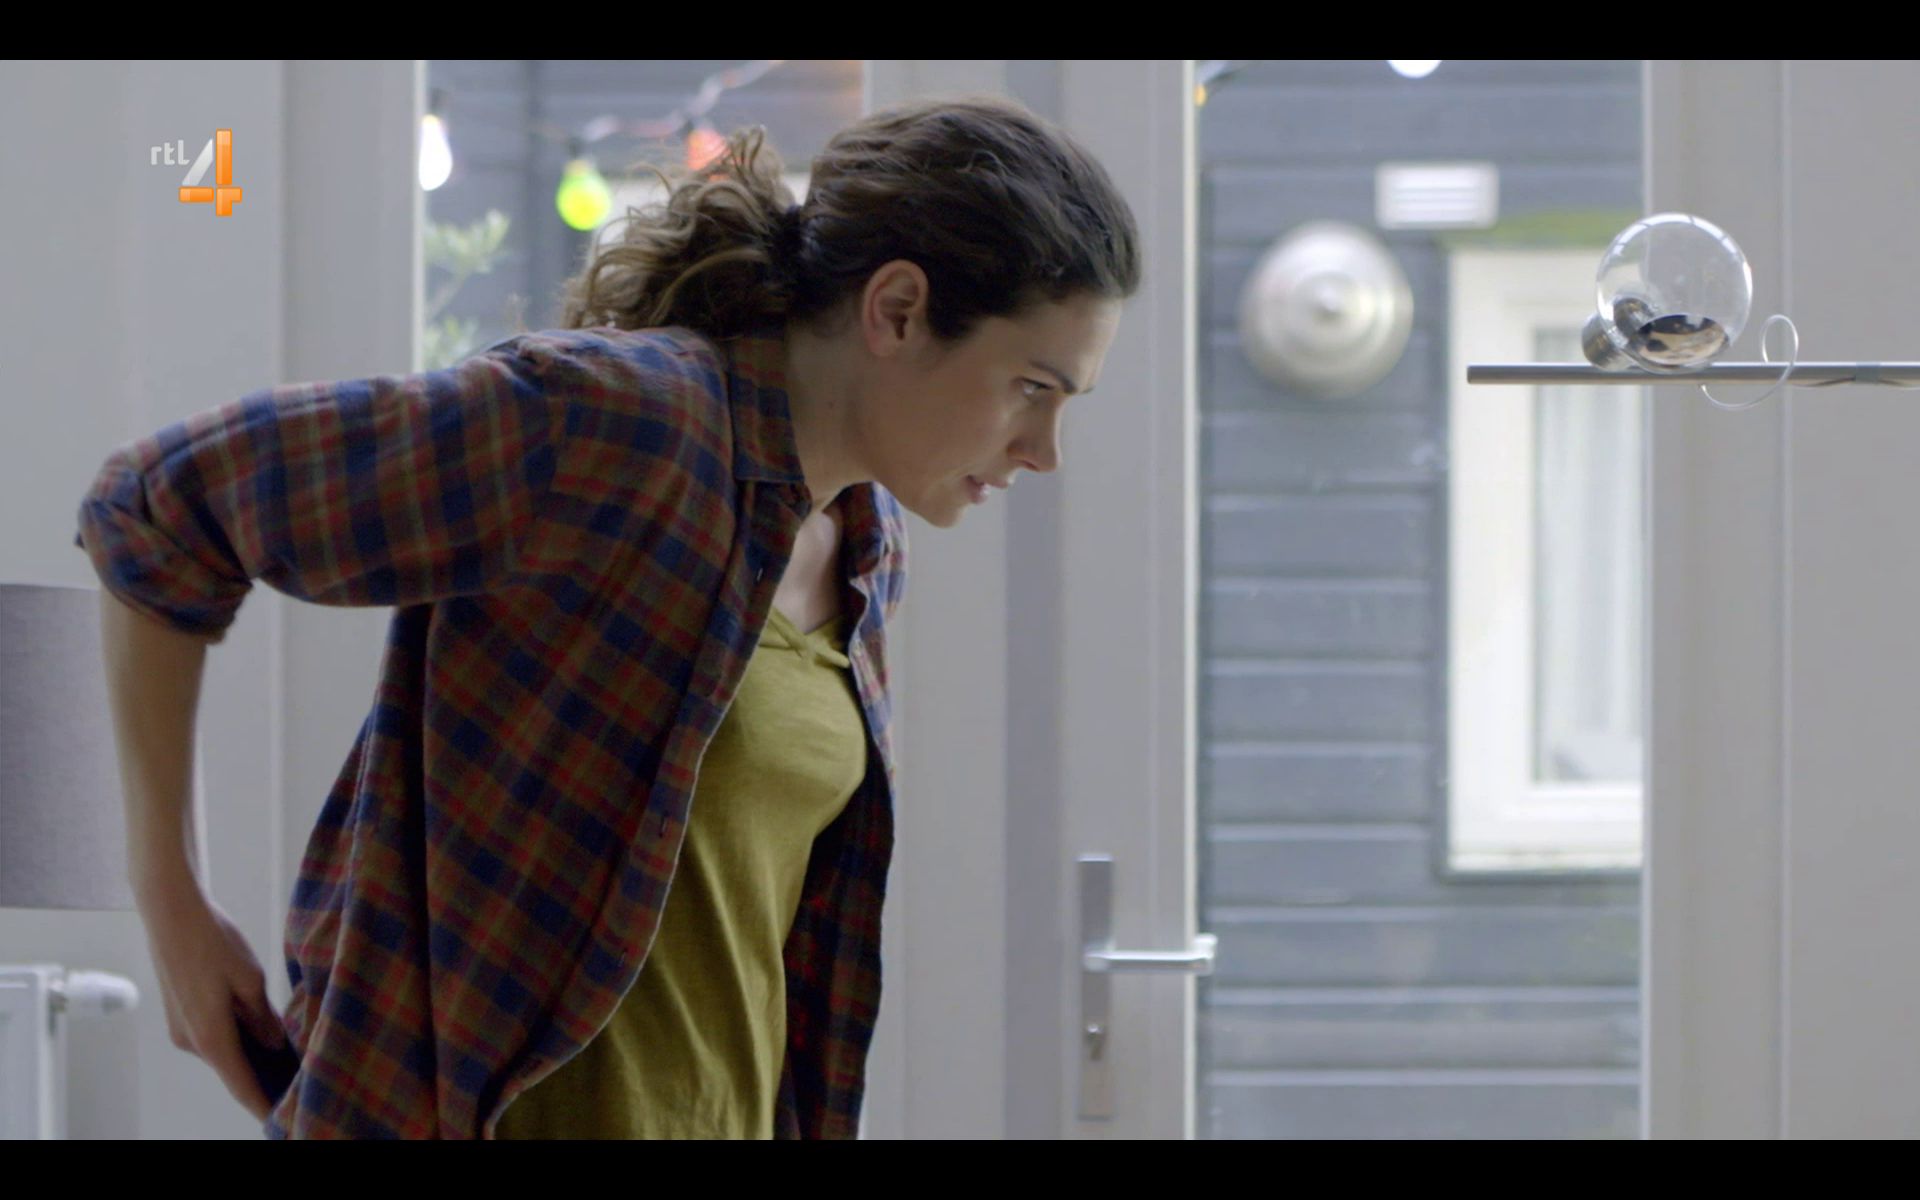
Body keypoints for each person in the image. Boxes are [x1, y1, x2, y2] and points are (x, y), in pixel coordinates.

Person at [75, 92, 1137, 1140]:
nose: (1043, 451)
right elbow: (160, 506)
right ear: (897, 310)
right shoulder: (620, 424)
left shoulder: (865, 543)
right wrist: (174, 913)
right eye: (1030, 388)